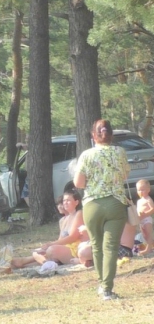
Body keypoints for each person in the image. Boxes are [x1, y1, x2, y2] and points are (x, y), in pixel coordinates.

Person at [73, 119, 130, 301]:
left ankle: (101, 283)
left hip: (92, 205)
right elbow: (125, 174)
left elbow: (79, 183)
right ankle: (107, 288)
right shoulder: (120, 152)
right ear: (111, 135)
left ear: (93, 136)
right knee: (111, 247)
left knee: (96, 246)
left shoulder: (87, 155)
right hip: (115, 203)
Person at [11, 189, 84, 268]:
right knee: (41, 252)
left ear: (76, 202)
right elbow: (60, 239)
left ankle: (25, 261)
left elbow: (73, 237)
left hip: (75, 250)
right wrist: (47, 246)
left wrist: (51, 245)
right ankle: (23, 263)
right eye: (64, 200)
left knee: (51, 250)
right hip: (65, 248)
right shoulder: (64, 220)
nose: (65, 203)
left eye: (68, 200)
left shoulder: (79, 214)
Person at [136, 179, 154, 255]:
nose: (140, 192)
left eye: (143, 190)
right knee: (144, 235)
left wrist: (146, 214)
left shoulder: (148, 199)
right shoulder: (139, 201)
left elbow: (152, 209)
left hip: (147, 219)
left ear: (148, 190)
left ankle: (148, 249)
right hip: (141, 220)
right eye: (139, 190)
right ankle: (149, 246)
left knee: (149, 233)